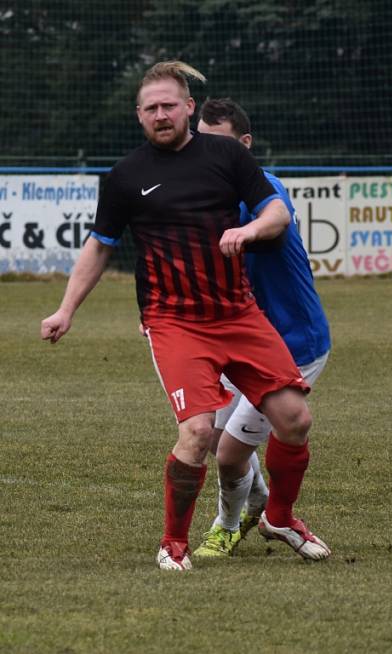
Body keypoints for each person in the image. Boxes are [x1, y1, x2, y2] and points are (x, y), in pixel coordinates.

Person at [40, 61, 330, 571]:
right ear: (138, 116)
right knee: (197, 432)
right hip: (174, 322)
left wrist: (250, 230)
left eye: (169, 105)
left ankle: (280, 517)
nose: (160, 114)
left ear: (188, 108)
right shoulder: (126, 176)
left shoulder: (225, 155)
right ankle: (173, 542)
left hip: (238, 314)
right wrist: (66, 309)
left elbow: (277, 211)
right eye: (150, 108)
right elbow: (99, 245)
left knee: (295, 420)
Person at [190, 98, 331, 559]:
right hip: (237, 339)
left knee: (230, 454)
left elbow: (278, 218)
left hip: (293, 344)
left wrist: (247, 232)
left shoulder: (262, 187)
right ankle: (257, 501)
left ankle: (233, 524)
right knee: (212, 437)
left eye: (221, 145)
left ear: (245, 145)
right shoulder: (203, 198)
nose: (207, 155)